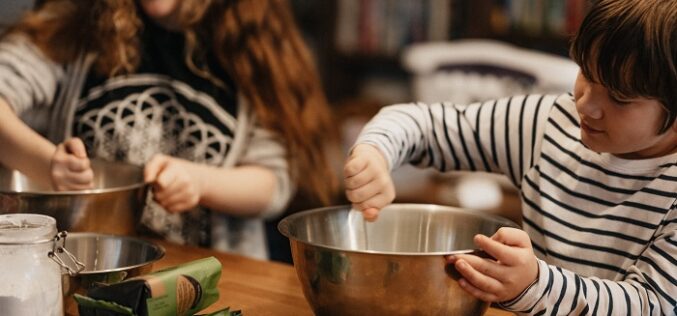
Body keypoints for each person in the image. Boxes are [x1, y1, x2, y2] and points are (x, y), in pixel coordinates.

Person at [344, 0, 676, 314]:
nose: (585, 105)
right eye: (586, 74)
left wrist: (534, 285)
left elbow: (652, 305)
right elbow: (423, 124)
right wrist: (375, 153)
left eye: (618, 97)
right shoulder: (550, 124)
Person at [0, 0, 337, 260]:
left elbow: (273, 184)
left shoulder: (253, 48)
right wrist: (47, 164)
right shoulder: (75, 26)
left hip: (209, 277)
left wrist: (201, 182)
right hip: (77, 265)